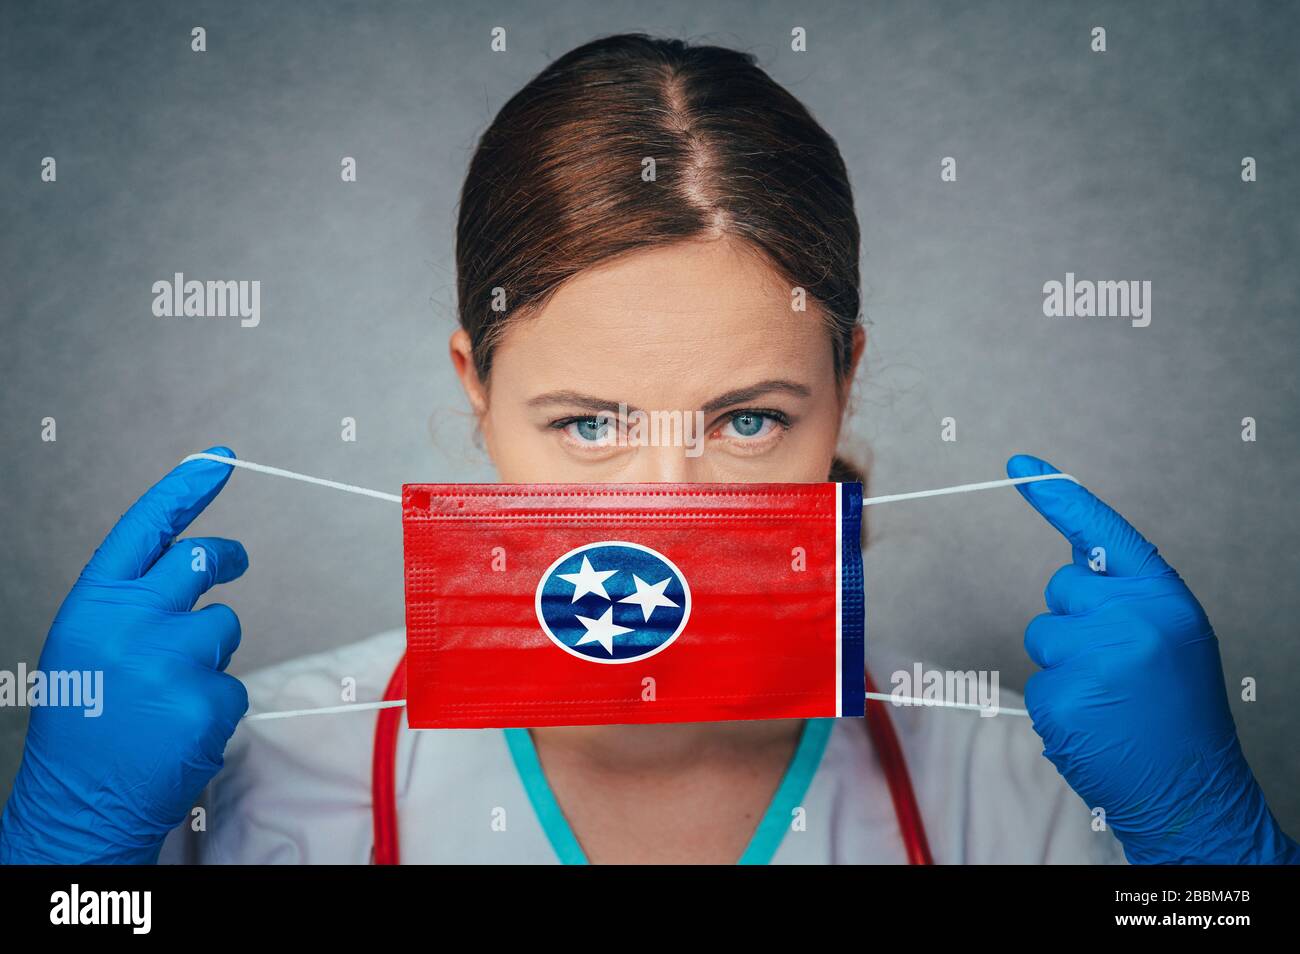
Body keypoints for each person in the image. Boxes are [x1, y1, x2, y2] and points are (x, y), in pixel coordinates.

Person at [1, 34, 1294, 866]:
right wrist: (66, 869)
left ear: (842, 388)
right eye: (587, 423)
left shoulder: (1030, 790)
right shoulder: (249, 777)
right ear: (477, 389)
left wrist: (1215, 858)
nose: (663, 508)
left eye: (748, 420)